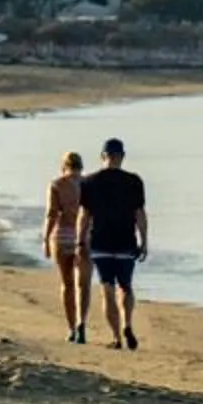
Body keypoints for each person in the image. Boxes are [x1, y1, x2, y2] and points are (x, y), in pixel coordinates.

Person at [77, 137, 151, 351]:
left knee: (107, 289)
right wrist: (144, 241)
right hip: (126, 241)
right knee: (126, 286)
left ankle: (117, 337)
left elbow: (85, 215)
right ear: (122, 157)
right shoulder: (134, 181)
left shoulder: (89, 182)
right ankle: (127, 323)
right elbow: (140, 214)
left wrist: (80, 240)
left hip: (100, 242)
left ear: (103, 156)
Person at [41, 150, 90, 343]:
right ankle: (81, 323)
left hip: (62, 236)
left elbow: (51, 214)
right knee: (83, 284)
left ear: (64, 166)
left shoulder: (57, 185)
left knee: (67, 284)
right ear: (81, 166)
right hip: (84, 236)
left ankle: (71, 328)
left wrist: (45, 239)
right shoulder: (88, 184)